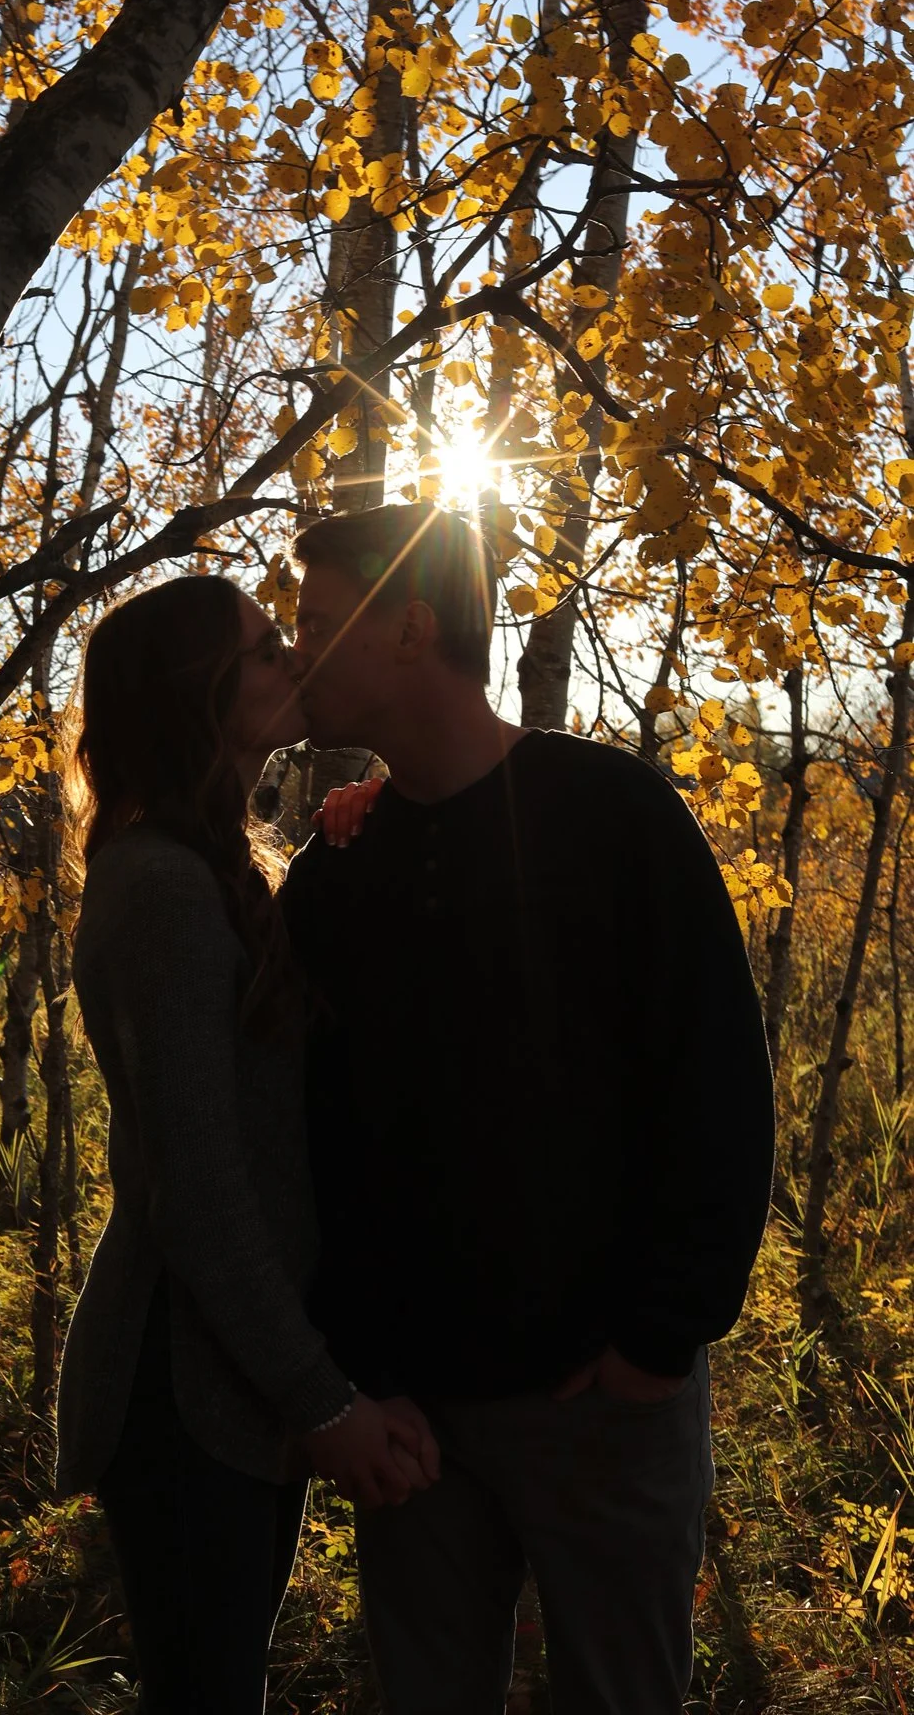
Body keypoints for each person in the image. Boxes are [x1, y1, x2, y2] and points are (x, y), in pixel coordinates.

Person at [282, 502, 776, 1715]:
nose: (294, 652)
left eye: (312, 620)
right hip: (414, 1427)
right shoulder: (334, 871)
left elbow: (715, 1078)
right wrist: (349, 1378)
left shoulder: (612, 815)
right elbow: (314, 1141)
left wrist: (659, 1341)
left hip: (600, 1406)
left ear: (406, 626)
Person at [54, 574, 439, 1715]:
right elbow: (198, 1189)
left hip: (232, 1376)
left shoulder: (216, 866)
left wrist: (369, 815)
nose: (292, 664)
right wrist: (324, 1404)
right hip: (185, 1388)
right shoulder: (161, 886)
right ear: (198, 692)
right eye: (269, 651)